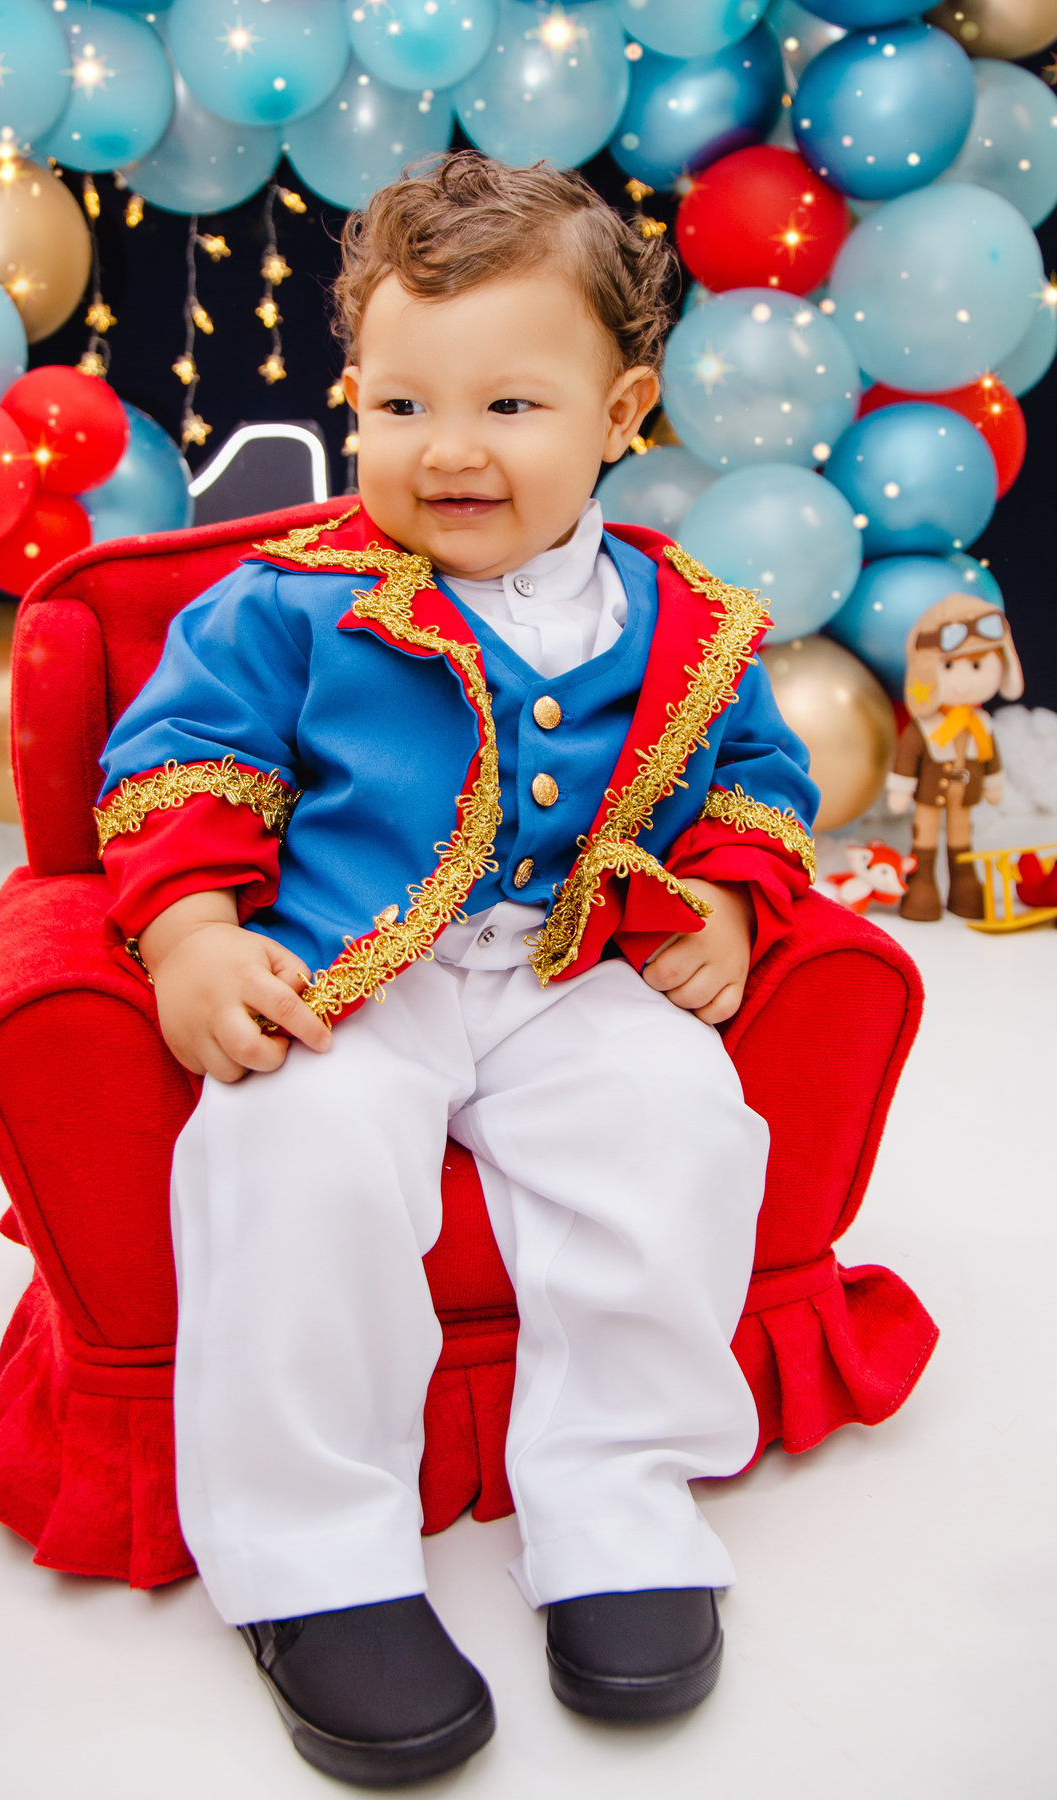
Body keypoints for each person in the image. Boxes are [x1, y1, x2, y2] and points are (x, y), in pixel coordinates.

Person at [96, 155, 818, 1787]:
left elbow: (758, 780)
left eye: (509, 403)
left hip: (570, 966)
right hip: (350, 968)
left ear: (620, 413)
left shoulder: (689, 622)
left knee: (678, 1127)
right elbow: (183, 767)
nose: (450, 448)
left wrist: (728, 896)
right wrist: (193, 933)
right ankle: (311, 1559)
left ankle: (617, 1497)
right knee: (294, 1148)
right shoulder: (285, 602)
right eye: (403, 404)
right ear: (352, 397)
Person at [887, 592, 1022, 921]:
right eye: (949, 666)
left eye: (977, 665)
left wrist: (993, 784)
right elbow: (908, 758)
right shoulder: (925, 727)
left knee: (962, 837)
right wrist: (901, 789)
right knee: (925, 837)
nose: (964, 681)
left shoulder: (981, 724)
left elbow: (991, 759)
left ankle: (964, 885)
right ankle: (922, 884)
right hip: (929, 797)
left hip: (965, 798)